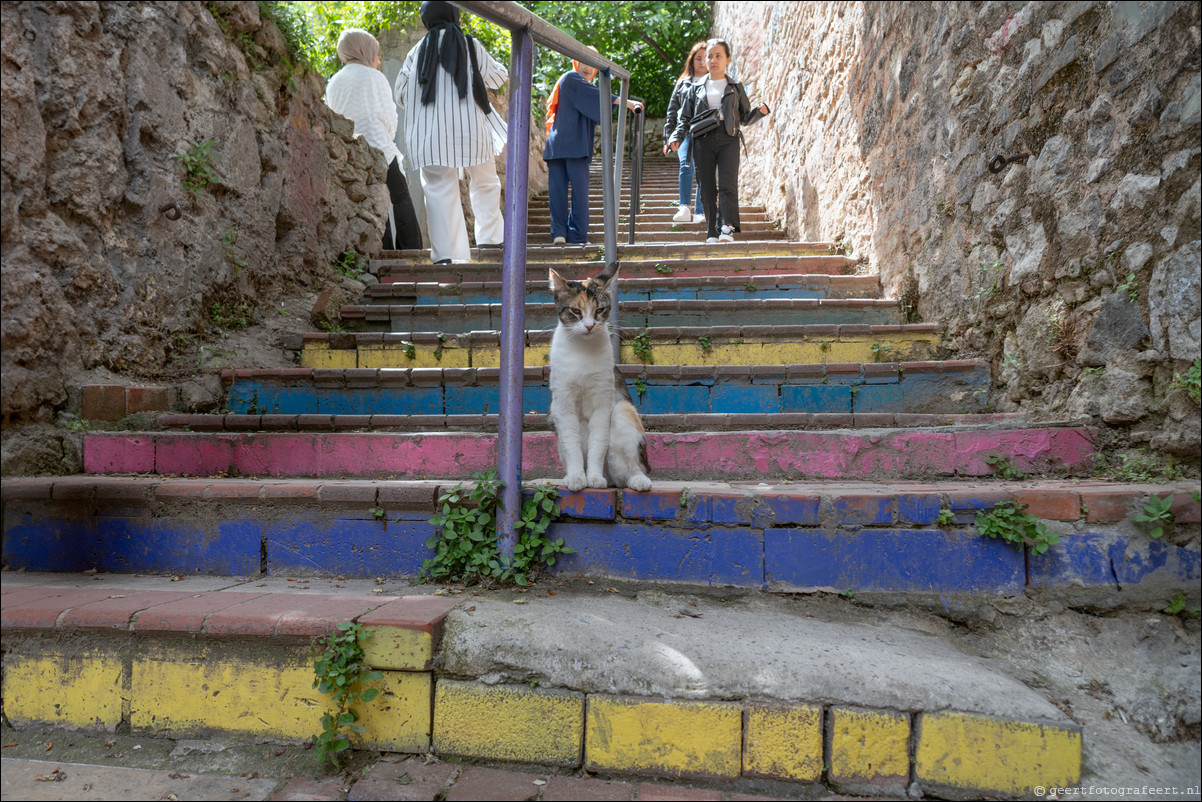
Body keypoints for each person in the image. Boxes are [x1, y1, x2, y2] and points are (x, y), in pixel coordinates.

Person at [394, 1, 508, 264]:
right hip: (471, 130)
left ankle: (447, 256)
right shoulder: (470, 45)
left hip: (430, 136)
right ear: (454, 13)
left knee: (438, 188)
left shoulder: (416, 52)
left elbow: (400, 94)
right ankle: (491, 240)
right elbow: (497, 78)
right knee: (485, 181)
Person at [324, 28, 423, 251]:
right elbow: (389, 115)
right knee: (399, 197)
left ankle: (383, 249)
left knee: (370, 202)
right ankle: (411, 250)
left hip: (350, 153)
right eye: (375, 54)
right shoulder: (374, 77)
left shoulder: (334, 81)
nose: (378, 60)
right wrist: (388, 137)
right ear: (365, 51)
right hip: (379, 147)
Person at [668, 38, 770, 244]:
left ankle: (727, 228)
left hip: (728, 138)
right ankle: (711, 232)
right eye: (710, 56)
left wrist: (759, 112)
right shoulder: (694, 87)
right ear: (705, 60)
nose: (713, 60)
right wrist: (676, 137)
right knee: (706, 187)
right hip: (702, 140)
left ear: (727, 59)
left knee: (727, 185)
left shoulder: (735, 86)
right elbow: (684, 118)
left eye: (718, 56)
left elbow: (744, 117)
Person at [543, 56, 643, 246]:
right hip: (569, 145)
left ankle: (568, 234)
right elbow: (597, 97)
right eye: (584, 62)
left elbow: (593, 100)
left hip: (568, 145)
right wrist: (626, 102)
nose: (588, 67)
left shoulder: (576, 83)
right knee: (566, 192)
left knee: (574, 193)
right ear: (576, 62)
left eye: (593, 65)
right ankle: (567, 234)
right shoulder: (570, 78)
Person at [663, 42, 708, 224]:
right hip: (684, 131)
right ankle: (684, 207)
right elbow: (672, 110)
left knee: (704, 169)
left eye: (705, 58)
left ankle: (700, 211)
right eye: (698, 58)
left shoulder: (714, 82)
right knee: (686, 165)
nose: (702, 62)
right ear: (692, 60)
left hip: (706, 130)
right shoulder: (683, 82)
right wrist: (668, 137)